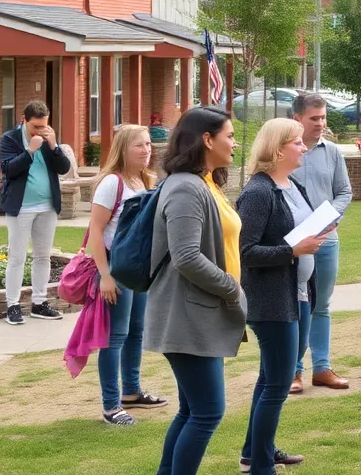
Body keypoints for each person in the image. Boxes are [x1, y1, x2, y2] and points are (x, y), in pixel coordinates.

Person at [146, 106, 247, 475]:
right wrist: (230, 289)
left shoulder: (204, 182)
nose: (234, 143)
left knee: (192, 411)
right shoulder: (186, 187)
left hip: (200, 313)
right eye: (230, 135)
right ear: (208, 139)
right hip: (188, 316)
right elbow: (186, 256)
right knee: (207, 413)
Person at [237, 118, 331, 474]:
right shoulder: (258, 192)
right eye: (296, 143)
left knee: (271, 378)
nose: (304, 147)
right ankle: (261, 466)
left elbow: (298, 231)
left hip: (300, 295)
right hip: (272, 300)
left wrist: (319, 228)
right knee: (277, 383)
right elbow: (246, 252)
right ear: (277, 149)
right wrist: (293, 250)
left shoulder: (292, 184)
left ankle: (255, 452)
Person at [86, 124, 166, 426]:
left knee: (136, 332)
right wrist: (104, 276)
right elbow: (95, 230)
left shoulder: (145, 180)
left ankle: (131, 392)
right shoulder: (111, 183)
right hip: (115, 271)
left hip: (138, 270)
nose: (146, 150)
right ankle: (110, 405)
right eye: (139, 145)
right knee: (114, 337)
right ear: (123, 149)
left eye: (148, 144)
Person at [292, 93, 355, 393]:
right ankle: (293, 371)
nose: (320, 123)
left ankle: (322, 368)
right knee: (295, 304)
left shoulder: (332, 152)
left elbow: (344, 191)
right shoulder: (283, 151)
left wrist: (330, 217)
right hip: (291, 244)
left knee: (321, 305)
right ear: (297, 119)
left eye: (323, 117)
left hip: (326, 241)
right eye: (314, 118)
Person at [0, 100, 71, 326]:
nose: (40, 131)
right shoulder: (10, 139)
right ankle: (13, 305)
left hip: (47, 206)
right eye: (35, 127)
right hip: (21, 208)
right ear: (24, 120)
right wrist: (30, 150)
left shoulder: (49, 139)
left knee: (42, 256)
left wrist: (54, 146)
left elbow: (64, 168)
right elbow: (8, 169)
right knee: (17, 256)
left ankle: (39, 303)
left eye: (43, 126)